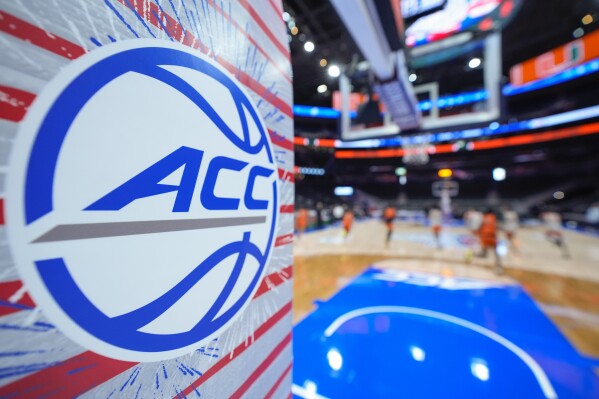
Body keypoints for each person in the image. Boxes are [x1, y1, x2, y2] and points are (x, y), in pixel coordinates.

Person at [477, 209, 503, 275]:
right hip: (491, 236)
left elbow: (480, 226)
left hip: (484, 236)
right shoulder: (494, 217)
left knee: (484, 249)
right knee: (496, 252)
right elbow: (497, 226)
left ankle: (482, 256)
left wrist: (479, 233)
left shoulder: (484, 216)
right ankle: (498, 267)